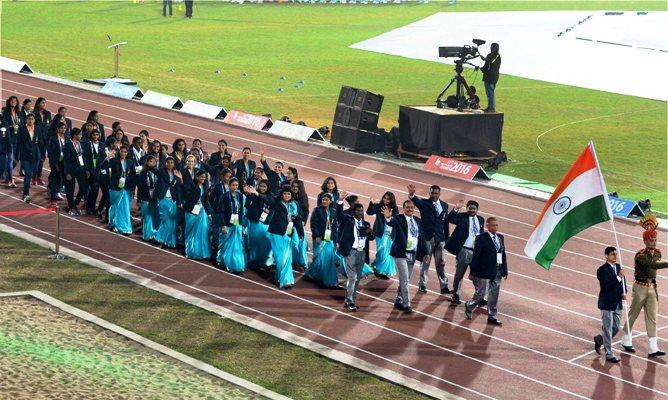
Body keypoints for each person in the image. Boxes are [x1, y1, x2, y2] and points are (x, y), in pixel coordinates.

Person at [620, 215, 667, 357]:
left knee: (652, 317)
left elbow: (655, 265)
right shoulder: (640, 255)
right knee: (633, 313)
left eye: (655, 239)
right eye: (651, 240)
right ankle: (626, 339)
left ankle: (653, 347)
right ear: (645, 241)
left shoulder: (658, 252)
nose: (653, 242)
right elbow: (652, 266)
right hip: (640, 287)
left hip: (652, 287)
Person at [381, 199, 427, 314]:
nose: (410, 209)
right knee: (405, 279)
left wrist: (425, 252)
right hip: (400, 254)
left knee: (404, 279)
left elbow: (421, 237)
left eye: (412, 207)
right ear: (403, 208)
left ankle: (399, 299)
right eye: (407, 207)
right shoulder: (398, 218)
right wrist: (388, 218)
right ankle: (407, 304)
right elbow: (391, 222)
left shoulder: (418, 221)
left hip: (412, 254)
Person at [407, 184, 450, 294]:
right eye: (432, 193)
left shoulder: (445, 205)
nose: (434, 195)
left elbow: (445, 223)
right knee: (425, 262)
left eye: (436, 193)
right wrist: (412, 195)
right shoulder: (424, 203)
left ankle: (444, 286)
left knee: (441, 263)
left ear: (439, 194)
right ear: (429, 193)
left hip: (440, 239)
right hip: (427, 238)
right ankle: (422, 284)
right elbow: (416, 201)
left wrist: (446, 237)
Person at [465, 217, 507, 326]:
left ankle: (492, 316)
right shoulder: (481, 238)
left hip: (497, 270)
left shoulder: (500, 238)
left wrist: (504, 270)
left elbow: (502, 255)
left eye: (497, 225)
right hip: (484, 270)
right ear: (487, 226)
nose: (495, 227)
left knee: (494, 295)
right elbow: (476, 256)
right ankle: (469, 306)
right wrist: (472, 272)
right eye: (493, 225)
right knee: (481, 293)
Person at [337, 197, 374, 311]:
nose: (360, 212)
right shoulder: (348, 220)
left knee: (357, 279)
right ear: (353, 212)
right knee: (352, 277)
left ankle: (352, 300)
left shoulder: (366, 223)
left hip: (361, 253)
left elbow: (372, 237)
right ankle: (349, 301)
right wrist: (340, 201)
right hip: (351, 252)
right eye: (358, 211)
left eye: (362, 211)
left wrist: (370, 231)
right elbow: (339, 215)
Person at [446, 200, 485, 304]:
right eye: (470, 208)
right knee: (459, 274)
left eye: (474, 208)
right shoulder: (462, 216)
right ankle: (456, 294)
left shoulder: (481, 219)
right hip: (464, 250)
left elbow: (481, 235)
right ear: (467, 208)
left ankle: (478, 296)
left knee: (477, 275)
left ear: (477, 209)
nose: (472, 210)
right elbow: (450, 219)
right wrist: (456, 208)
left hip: (476, 252)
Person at [267, 187, 303, 289]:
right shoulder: (277, 203)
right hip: (277, 233)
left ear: (291, 195)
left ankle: (285, 279)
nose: (287, 196)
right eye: (285, 194)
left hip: (288, 233)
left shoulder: (294, 205)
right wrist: (256, 193)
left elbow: (298, 220)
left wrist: (301, 234)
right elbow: (268, 200)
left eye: (289, 194)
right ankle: (280, 276)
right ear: (281, 194)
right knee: (280, 256)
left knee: (287, 257)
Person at [593, 246, 625, 364]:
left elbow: (623, 282)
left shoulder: (618, 267)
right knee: (608, 328)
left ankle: (599, 339)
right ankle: (609, 353)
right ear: (606, 256)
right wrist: (618, 277)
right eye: (612, 254)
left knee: (615, 327)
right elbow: (606, 286)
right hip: (606, 302)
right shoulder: (601, 270)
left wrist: (623, 292)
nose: (615, 256)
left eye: (616, 254)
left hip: (617, 302)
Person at [305, 193, 340, 288]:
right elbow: (313, 223)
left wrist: (336, 241)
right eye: (323, 200)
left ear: (330, 201)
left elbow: (335, 227)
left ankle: (328, 279)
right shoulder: (317, 210)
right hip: (319, 238)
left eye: (327, 200)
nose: (324, 201)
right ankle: (310, 273)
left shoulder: (333, 212)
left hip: (329, 239)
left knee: (328, 260)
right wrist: (316, 236)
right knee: (318, 259)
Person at [217, 178, 246, 273]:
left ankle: (233, 263)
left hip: (236, 222)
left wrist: (241, 224)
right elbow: (221, 211)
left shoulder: (240, 196)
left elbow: (241, 211)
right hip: (226, 223)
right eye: (233, 185)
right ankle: (221, 260)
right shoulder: (224, 196)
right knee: (224, 243)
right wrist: (223, 225)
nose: (235, 187)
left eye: (236, 185)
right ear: (229, 186)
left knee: (236, 244)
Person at [367, 192, 398, 279]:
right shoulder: (378, 206)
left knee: (388, 254)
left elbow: (395, 221)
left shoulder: (394, 209)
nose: (385, 200)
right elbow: (369, 212)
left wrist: (389, 216)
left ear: (391, 200)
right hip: (380, 233)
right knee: (382, 252)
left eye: (388, 199)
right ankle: (378, 270)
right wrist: (371, 203)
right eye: (384, 198)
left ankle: (381, 270)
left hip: (390, 235)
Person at [243, 180, 273, 269]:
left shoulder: (271, 196)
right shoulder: (253, 195)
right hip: (254, 222)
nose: (262, 188)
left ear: (268, 187)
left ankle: (264, 262)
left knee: (265, 243)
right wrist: (248, 195)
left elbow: (271, 203)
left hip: (265, 223)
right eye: (261, 186)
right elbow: (247, 205)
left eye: (264, 186)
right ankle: (252, 262)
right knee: (254, 243)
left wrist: (269, 211)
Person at [183, 169, 212, 260]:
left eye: (204, 177)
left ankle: (202, 252)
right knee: (191, 231)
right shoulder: (192, 185)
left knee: (203, 231)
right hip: (191, 210)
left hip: (202, 211)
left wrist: (209, 213)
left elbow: (205, 200)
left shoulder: (205, 186)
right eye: (201, 177)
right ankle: (192, 251)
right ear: (197, 177)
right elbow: (185, 191)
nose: (203, 178)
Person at [155, 156, 182, 248]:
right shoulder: (162, 172)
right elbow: (155, 171)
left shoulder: (176, 174)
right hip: (163, 199)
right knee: (164, 219)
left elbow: (178, 189)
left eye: (172, 162)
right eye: (168, 162)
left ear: (174, 164)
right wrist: (150, 166)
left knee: (172, 221)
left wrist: (179, 202)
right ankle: (161, 239)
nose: (170, 164)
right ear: (165, 163)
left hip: (172, 200)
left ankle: (169, 241)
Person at [108, 145, 136, 235]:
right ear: (119, 152)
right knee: (114, 206)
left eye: (125, 152)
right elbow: (104, 166)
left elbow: (133, 176)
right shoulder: (113, 161)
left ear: (127, 153)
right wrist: (107, 157)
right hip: (115, 187)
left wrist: (132, 189)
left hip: (125, 188)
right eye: (122, 151)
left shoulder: (130, 162)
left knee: (124, 208)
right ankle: (113, 223)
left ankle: (124, 227)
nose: (123, 153)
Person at [62, 128, 88, 215]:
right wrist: (67, 173)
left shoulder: (81, 144)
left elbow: (84, 157)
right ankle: (71, 206)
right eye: (80, 134)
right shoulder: (68, 145)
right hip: (71, 170)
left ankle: (75, 203)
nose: (81, 136)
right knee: (71, 189)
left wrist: (86, 169)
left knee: (83, 187)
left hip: (80, 169)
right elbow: (66, 160)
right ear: (75, 135)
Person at [16, 113, 40, 203]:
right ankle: (26, 194)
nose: (31, 120)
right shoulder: (22, 129)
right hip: (25, 156)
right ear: (26, 120)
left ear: (34, 120)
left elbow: (40, 141)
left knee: (31, 174)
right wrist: (16, 155)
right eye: (29, 119)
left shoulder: (37, 128)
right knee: (28, 175)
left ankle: (26, 192)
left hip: (35, 156)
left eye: (32, 119)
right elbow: (18, 143)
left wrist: (41, 154)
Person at [137, 155, 160, 242]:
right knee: (147, 217)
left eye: (154, 162)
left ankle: (153, 234)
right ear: (147, 162)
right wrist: (139, 200)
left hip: (154, 198)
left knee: (154, 216)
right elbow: (140, 188)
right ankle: (147, 235)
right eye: (151, 161)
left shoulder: (157, 172)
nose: (153, 163)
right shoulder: (142, 173)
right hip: (146, 198)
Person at [83, 130, 105, 215]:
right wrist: (87, 169)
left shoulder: (102, 145)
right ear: (91, 135)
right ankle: (88, 206)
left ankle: (92, 207)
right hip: (90, 169)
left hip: (98, 170)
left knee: (95, 190)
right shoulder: (88, 144)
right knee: (90, 189)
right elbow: (85, 157)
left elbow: (103, 157)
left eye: (97, 135)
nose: (96, 136)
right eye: (94, 135)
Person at [1, 96, 22, 188]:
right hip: (9, 140)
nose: (14, 102)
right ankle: (10, 179)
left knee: (16, 159)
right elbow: (4, 126)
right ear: (9, 102)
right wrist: (12, 127)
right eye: (12, 101)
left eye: (15, 101)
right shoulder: (5, 113)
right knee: (10, 159)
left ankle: (5, 171)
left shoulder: (19, 112)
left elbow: (22, 123)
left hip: (18, 139)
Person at [96, 141, 117, 223]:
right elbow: (99, 164)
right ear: (110, 144)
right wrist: (107, 157)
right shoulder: (103, 152)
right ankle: (107, 217)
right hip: (103, 177)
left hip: (112, 177)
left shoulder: (116, 152)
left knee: (106, 195)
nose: (115, 144)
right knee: (107, 196)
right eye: (113, 143)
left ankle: (100, 210)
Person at [291, 179, 309, 270]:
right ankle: (294, 262)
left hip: (299, 223)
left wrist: (304, 221)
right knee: (294, 243)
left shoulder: (304, 196)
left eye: (296, 187)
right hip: (290, 223)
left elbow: (306, 210)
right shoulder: (288, 195)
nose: (294, 188)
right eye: (293, 186)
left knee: (302, 244)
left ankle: (302, 262)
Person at [33, 97, 51, 186]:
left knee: (42, 159)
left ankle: (38, 176)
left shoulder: (48, 114)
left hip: (45, 139)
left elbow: (49, 126)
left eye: (45, 103)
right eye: (42, 103)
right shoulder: (34, 113)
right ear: (38, 104)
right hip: (37, 139)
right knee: (37, 158)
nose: (44, 104)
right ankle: (34, 176)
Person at [480, 42, 501, 113]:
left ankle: (491, 108)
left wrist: (481, 69)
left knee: (490, 94)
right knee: (491, 93)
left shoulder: (489, 56)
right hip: (495, 77)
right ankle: (490, 107)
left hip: (489, 77)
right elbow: (492, 63)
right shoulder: (498, 56)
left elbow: (486, 67)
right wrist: (485, 59)